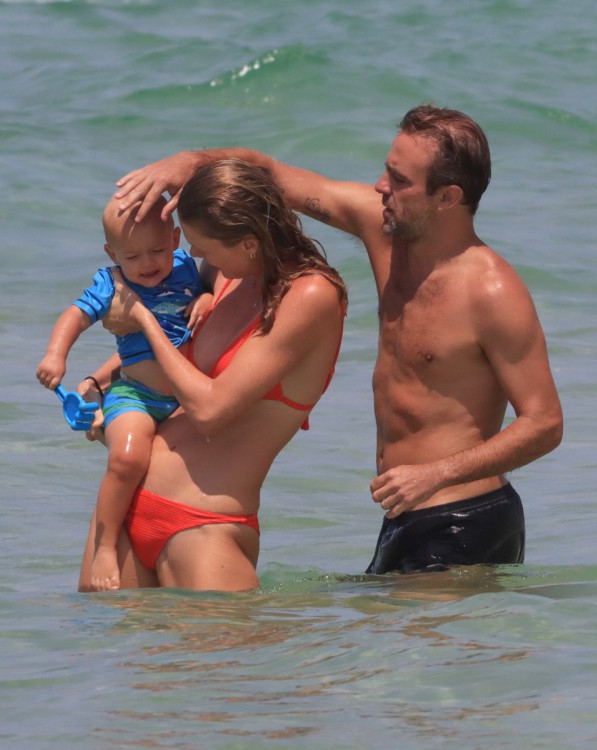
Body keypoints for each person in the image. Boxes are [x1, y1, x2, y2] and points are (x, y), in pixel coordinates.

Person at [114, 104, 564, 575]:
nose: (381, 186)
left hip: (464, 518)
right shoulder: (380, 227)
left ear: (447, 198)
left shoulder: (491, 290)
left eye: (400, 180)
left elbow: (545, 423)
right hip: (403, 513)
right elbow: (269, 174)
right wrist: (190, 162)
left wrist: (437, 474)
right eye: (387, 170)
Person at [76, 158, 347, 591]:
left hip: (201, 524)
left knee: (232, 640)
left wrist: (141, 318)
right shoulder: (227, 275)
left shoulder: (310, 295)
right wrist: (102, 389)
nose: (195, 256)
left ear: (249, 242)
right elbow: (175, 344)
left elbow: (210, 412)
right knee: (94, 636)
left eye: (202, 245)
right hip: (125, 509)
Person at [37, 195, 212, 591]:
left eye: (158, 250)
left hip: (184, 400)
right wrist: (55, 355)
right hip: (136, 396)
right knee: (128, 459)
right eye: (132, 256)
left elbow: (211, 289)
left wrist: (206, 297)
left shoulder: (187, 268)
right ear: (112, 254)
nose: (147, 264)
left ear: (176, 239)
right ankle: (105, 546)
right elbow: (75, 315)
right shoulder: (112, 283)